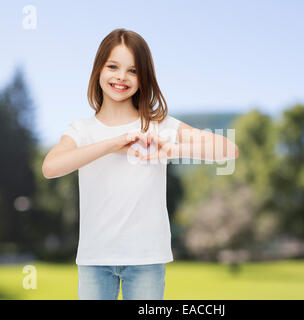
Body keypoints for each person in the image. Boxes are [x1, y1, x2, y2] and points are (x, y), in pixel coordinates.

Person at [42, 28, 239, 300]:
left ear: (143, 77)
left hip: (147, 259)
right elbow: (51, 167)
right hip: (95, 259)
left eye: (132, 71)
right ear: (98, 69)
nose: (121, 77)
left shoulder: (159, 125)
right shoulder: (81, 129)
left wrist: (171, 148)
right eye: (113, 66)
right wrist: (113, 143)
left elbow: (228, 149)